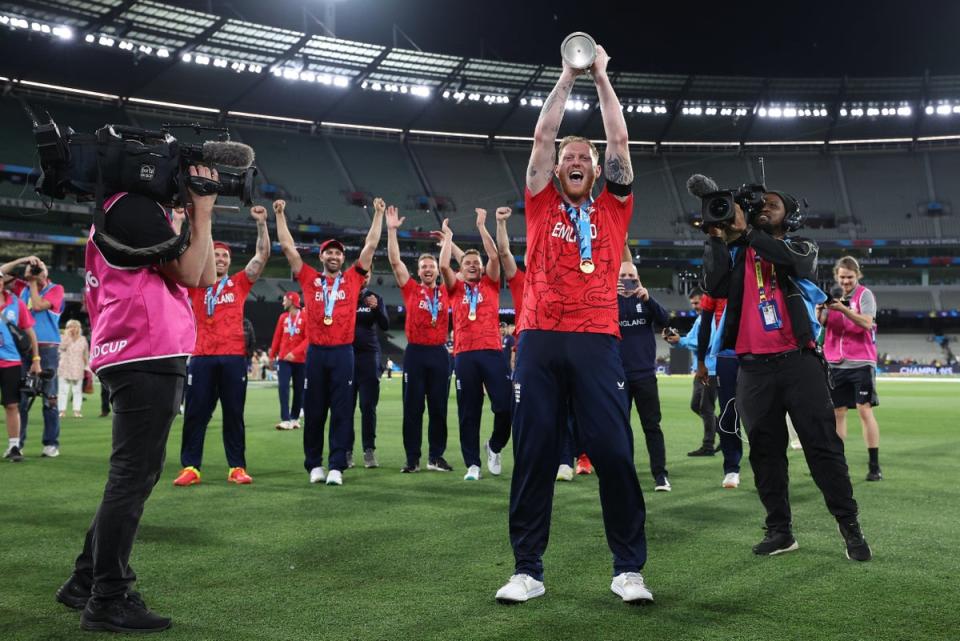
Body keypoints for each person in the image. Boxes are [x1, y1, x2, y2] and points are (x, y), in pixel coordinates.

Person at [496, 45, 653, 605]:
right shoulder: (540, 203)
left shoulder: (613, 208)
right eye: (571, 155)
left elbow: (621, 144)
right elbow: (542, 138)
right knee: (534, 452)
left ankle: (628, 569)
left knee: (612, 451)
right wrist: (567, 75)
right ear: (559, 169)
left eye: (586, 154)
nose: (578, 159)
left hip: (597, 341)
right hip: (537, 338)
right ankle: (526, 570)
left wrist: (603, 76)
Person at [55, 166, 217, 632]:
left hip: (135, 347)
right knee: (131, 478)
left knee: (134, 476)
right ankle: (108, 596)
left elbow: (201, 276)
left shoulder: (121, 209)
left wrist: (197, 216)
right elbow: (189, 271)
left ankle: (85, 581)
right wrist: (201, 208)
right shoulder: (133, 207)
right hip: (145, 347)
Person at [701, 188, 872, 562]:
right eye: (759, 205)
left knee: (823, 447)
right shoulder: (736, 251)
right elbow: (713, 286)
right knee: (764, 454)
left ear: (789, 216)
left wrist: (747, 234)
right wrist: (716, 234)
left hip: (799, 363)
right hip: (751, 367)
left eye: (772, 205)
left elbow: (793, 264)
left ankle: (849, 526)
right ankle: (780, 531)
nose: (763, 208)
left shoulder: (801, 247)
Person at [274, 197, 383, 487]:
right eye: (329, 253)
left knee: (342, 409)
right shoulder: (309, 279)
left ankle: (336, 465)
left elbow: (370, 247)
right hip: (317, 353)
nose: (334, 256)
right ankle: (314, 464)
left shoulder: (352, 279)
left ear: (342, 259)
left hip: (343, 353)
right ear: (321, 257)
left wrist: (378, 215)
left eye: (338, 253)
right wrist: (281, 215)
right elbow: (287, 248)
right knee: (315, 410)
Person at [173, 204, 270, 488]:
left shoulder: (239, 284)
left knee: (234, 414)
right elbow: (177, 253)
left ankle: (236, 467)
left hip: (232, 356)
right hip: (201, 355)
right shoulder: (194, 284)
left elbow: (262, 255)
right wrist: (179, 220)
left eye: (225, 256)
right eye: (215, 254)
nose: (220, 259)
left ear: (229, 262)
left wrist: (261, 224)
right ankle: (191, 466)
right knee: (195, 413)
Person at [439, 209, 511, 482]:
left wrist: (482, 225)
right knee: (469, 411)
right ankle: (473, 464)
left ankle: (494, 446)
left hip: (492, 352)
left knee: (505, 407)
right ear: (461, 268)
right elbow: (444, 266)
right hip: (465, 355)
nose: (472, 265)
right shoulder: (454, 288)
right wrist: (448, 238)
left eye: (475, 262)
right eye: (467, 262)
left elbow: (494, 256)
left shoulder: (490, 284)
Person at [385, 205, 453, 473]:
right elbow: (394, 261)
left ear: (437, 270)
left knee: (438, 408)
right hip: (414, 353)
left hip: (439, 353)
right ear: (418, 270)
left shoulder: (447, 291)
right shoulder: (411, 289)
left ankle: (436, 457)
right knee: (412, 409)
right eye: (423, 266)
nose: (427, 269)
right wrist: (391, 231)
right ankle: (412, 458)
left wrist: (447, 240)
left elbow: (448, 263)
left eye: (431, 266)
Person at [821, 256, 882, 481]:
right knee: (838, 413)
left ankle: (874, 466)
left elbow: (867, 323)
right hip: (835, 362)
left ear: (857, 276)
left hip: (861, 361)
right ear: (836, 276)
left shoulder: (864, 295)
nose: (846, 281)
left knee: (865, 411)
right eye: (842, 277)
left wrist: (843, 309)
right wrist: (820, 309)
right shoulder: (832, 295)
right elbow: (822, 323)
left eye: (850, 277)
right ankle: (838, 465)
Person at [0, 256, 65, 457]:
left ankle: (51, 443)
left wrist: (31, 281)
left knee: (49, 397)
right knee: (21, 397)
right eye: (34, 267)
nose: (36, 269)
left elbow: (37, 306)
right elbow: (2, 270)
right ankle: (17, 443)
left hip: (47, 349)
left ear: (48, 272)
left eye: (40, 267)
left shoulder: (56, 289)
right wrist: (25, 260)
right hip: (23, 350)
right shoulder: (23, 287)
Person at [617, 263, 671, 492]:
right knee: (620, 428)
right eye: (623, 276)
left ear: (638, 278)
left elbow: (665, 320)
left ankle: (660, 475)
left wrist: (648, 299)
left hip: (645, 375)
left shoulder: (645, 300)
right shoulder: (608, 301)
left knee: (652, 426)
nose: (627, 279)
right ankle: (624, 476)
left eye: (631, 276)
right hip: (617, 376)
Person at [695, 293, 744, 488]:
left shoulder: (756, 275)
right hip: (727, 356)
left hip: (758, 353)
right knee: (729, 413)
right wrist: (701, 361)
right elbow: (705, 326)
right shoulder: (716, 286)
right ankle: (732, 468)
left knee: (761, 413)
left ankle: (765, 464)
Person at [665, 289, 719, 456]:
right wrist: (675, 340)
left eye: (697, 302)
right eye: (693, 303)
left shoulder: (710, 320)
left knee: (705, 407)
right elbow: (689, 340)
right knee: (696, 405)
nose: (695, 306)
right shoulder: (700, 320)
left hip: (711, 370)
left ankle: (708, 446)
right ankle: (725, 434)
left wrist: (681, 340)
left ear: (704, 301)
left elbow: (706, 342)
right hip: (700, 370)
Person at [0, 268, 41, 462]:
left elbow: (31, 333)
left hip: (10, 362)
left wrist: (36, 359)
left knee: (12, 405)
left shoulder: (16, 304)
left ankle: (14, 446)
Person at [351, 270, 389, 468]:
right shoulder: (343, 295)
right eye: (361, 274)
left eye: (367, 275)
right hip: (346, 356)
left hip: (369, 357)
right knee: (345, 407)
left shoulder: (374, 298)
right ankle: (346, 450)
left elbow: (385, 325)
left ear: (370, 277)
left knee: (367, 406)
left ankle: (369, 450)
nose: (364, 278)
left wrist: (376, 309)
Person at [269, 291, 307, 430]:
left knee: (299, 390)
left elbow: (308, 339)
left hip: (300, 360)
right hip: (284, 359)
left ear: (291, 301)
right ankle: (285, 419)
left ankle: (295, 418)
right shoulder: (282, 317)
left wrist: (295, 352)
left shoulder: (304, 316)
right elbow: (277, 337)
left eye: (285, 300)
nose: (283, 303)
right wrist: (272, 355)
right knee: (283, 388)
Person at [58, 319, 89, 420]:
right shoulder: (63, 337)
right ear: (67, 328)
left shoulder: (83, 339)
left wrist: (87, 367)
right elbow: (61, 348)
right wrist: (67, 337)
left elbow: (86, 354)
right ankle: (62, 411)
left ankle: (77, 411)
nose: (73, 328)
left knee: (77, 391)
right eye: (71, 326)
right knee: (63, 391)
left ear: (79, 328)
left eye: (75, 326)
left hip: (78, 367)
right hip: (65, 366)